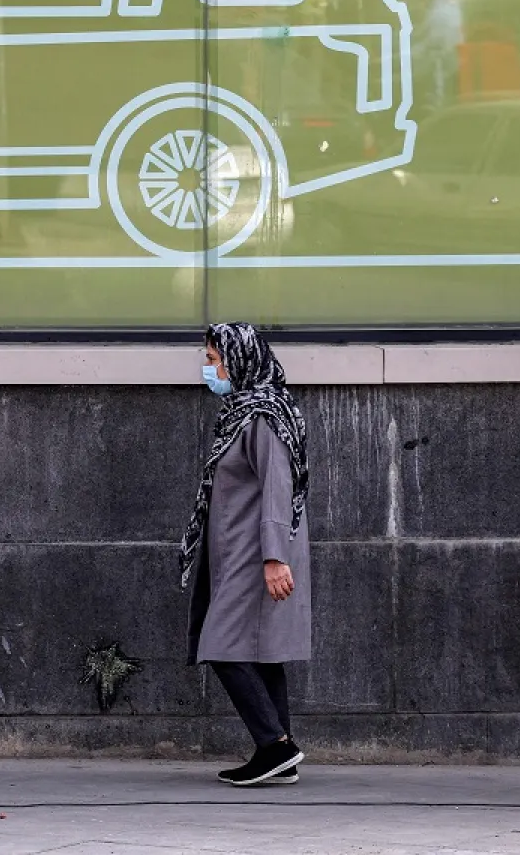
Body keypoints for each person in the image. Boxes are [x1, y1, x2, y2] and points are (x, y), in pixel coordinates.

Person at [182, 322, 311, 786]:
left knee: (219, 644)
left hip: (256, 553)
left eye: (214, 360)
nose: (207, 368)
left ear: (240, 360)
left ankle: (275, 745)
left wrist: (275, 556)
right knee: (261, 652)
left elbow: (279, 486)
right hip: (238, 551)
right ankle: (278, 752)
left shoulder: (263, 416)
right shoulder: (241, 413)